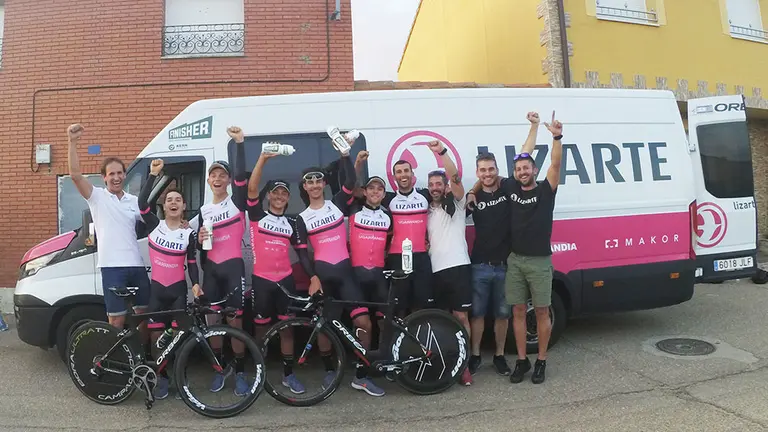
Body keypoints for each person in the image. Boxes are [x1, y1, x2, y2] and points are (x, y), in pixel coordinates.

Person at [469, 111, 563, 384]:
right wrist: (474, 190)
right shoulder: (509, 187)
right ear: (514, 172)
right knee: (517, 312)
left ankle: (541, 361)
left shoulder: (547, 190)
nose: (523, 171)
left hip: (540, 262)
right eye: (518, 168)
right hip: (515, 261)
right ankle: (522, 360)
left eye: (527, 167)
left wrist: (556, 137)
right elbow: (516, 157)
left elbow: (554, 165)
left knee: (542, 311)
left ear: (535, 170)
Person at [294, 140, 375, 393]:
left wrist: (345, 155)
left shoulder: (338, 203)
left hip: (346, 272)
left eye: (319, 181)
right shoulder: (302, 218)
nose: (315, 185)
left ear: (324, 184)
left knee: (365, 322)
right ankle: (330, 370)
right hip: (324, 275)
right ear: (305, 187)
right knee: (323, 327)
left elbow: (351, 181)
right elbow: (302, 255)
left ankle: (361, 374)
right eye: (310, 182)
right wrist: (313, 277)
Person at [67, 124, 151, 343]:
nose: (116, 177)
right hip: (112, 267)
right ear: (103, 178)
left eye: (120, 173)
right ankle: (118, 362)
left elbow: (155, 223)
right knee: (116, 321)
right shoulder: (97, 198)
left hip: (136, 265)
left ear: (125, 175)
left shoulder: (135, 201)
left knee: (144, 317)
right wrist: (72, 142)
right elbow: (75, 175)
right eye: (111, 174)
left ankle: (142, 360)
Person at [137, 158, 201, 400]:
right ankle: (161, 377)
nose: (173, 203)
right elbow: (143, 204)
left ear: (184, 206)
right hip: (157, 291)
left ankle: (175, 373)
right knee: (155, 335)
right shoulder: (155, 225)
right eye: (169, 200)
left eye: (178, 200)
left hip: (177, 291)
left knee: (176, 336)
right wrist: (153, 175)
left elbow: (192, 263)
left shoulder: (189, 233)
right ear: (164, 206)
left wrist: (195, 284)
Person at [245, 150, 307, 395]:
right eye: (276, 192)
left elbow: (302, 254)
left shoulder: (292, 223)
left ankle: (288, 375)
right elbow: (251, 189)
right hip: (262, 281)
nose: (280, 196)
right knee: (261, 331)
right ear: (269, 196)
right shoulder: (257, 216)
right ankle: (260, 376)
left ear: (288, 199)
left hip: (285, 282)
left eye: (284, 193)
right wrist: (262, 159)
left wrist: (313, 276)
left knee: (287, 329)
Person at [195, 126, 249, 396]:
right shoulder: (204, 210)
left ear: (228, 180)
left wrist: (239, 144)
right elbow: (200, 247)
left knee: (235, 321)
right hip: (213, 271)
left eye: (222, 175)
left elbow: (242, 178)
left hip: (233, 267)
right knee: (213, 322)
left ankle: (240, 372)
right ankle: (220, 369)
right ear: (208, 180)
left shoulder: (237, 203)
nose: (217, 178)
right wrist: (198, 239)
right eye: (213, 175)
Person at [422, 139, 473, 386]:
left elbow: (456, 177)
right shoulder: (426, 210)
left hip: (459, 267)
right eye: (431, 184)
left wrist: (441, 152)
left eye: (438, 183)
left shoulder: (458, 204)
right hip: (435, 271)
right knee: (442, 321)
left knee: (461, 318)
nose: (435, 187)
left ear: (445, 187)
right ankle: (448, 362)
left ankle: (465, 365)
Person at [347, 158, 392, 397]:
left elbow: (390, 242)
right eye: (371, 188)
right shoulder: (355, 209)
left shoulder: (387, 216)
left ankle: (380, 363)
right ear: (364, 192)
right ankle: (360, 376)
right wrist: (357, 164)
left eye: (379, 189)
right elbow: (349, 185)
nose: (375, 192)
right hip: (356, 277)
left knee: (386, 322)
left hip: (378, 277)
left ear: (384, 194)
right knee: (364, 325)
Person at [381, 159, 434, 315]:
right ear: (394, 176)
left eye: (406, 170)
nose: (403, 175)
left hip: (421, 255)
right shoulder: (389, 198)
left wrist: (471, 193)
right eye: (399, 172)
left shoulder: (425, 194)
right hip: (397, 256)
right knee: (400, 306)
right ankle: (401, 338)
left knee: (421, 304)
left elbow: (448, 187)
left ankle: (418, 338)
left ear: (412, 173)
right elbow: (357, 190)